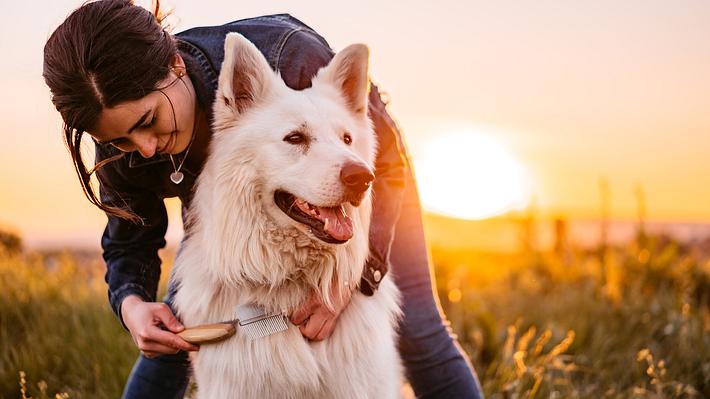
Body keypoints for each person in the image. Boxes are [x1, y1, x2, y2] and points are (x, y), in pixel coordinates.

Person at [43, 1, 484, 398]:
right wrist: (133, 304)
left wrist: (355, 276)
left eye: (149, 120)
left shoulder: (290, 57)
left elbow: (382, 166)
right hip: (236, 203)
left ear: (176, 64)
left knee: (421, 330)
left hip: (369, 183)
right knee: (177, 336)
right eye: (120, 140)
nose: (145, 149)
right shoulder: (120, 128)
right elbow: (129, 239)